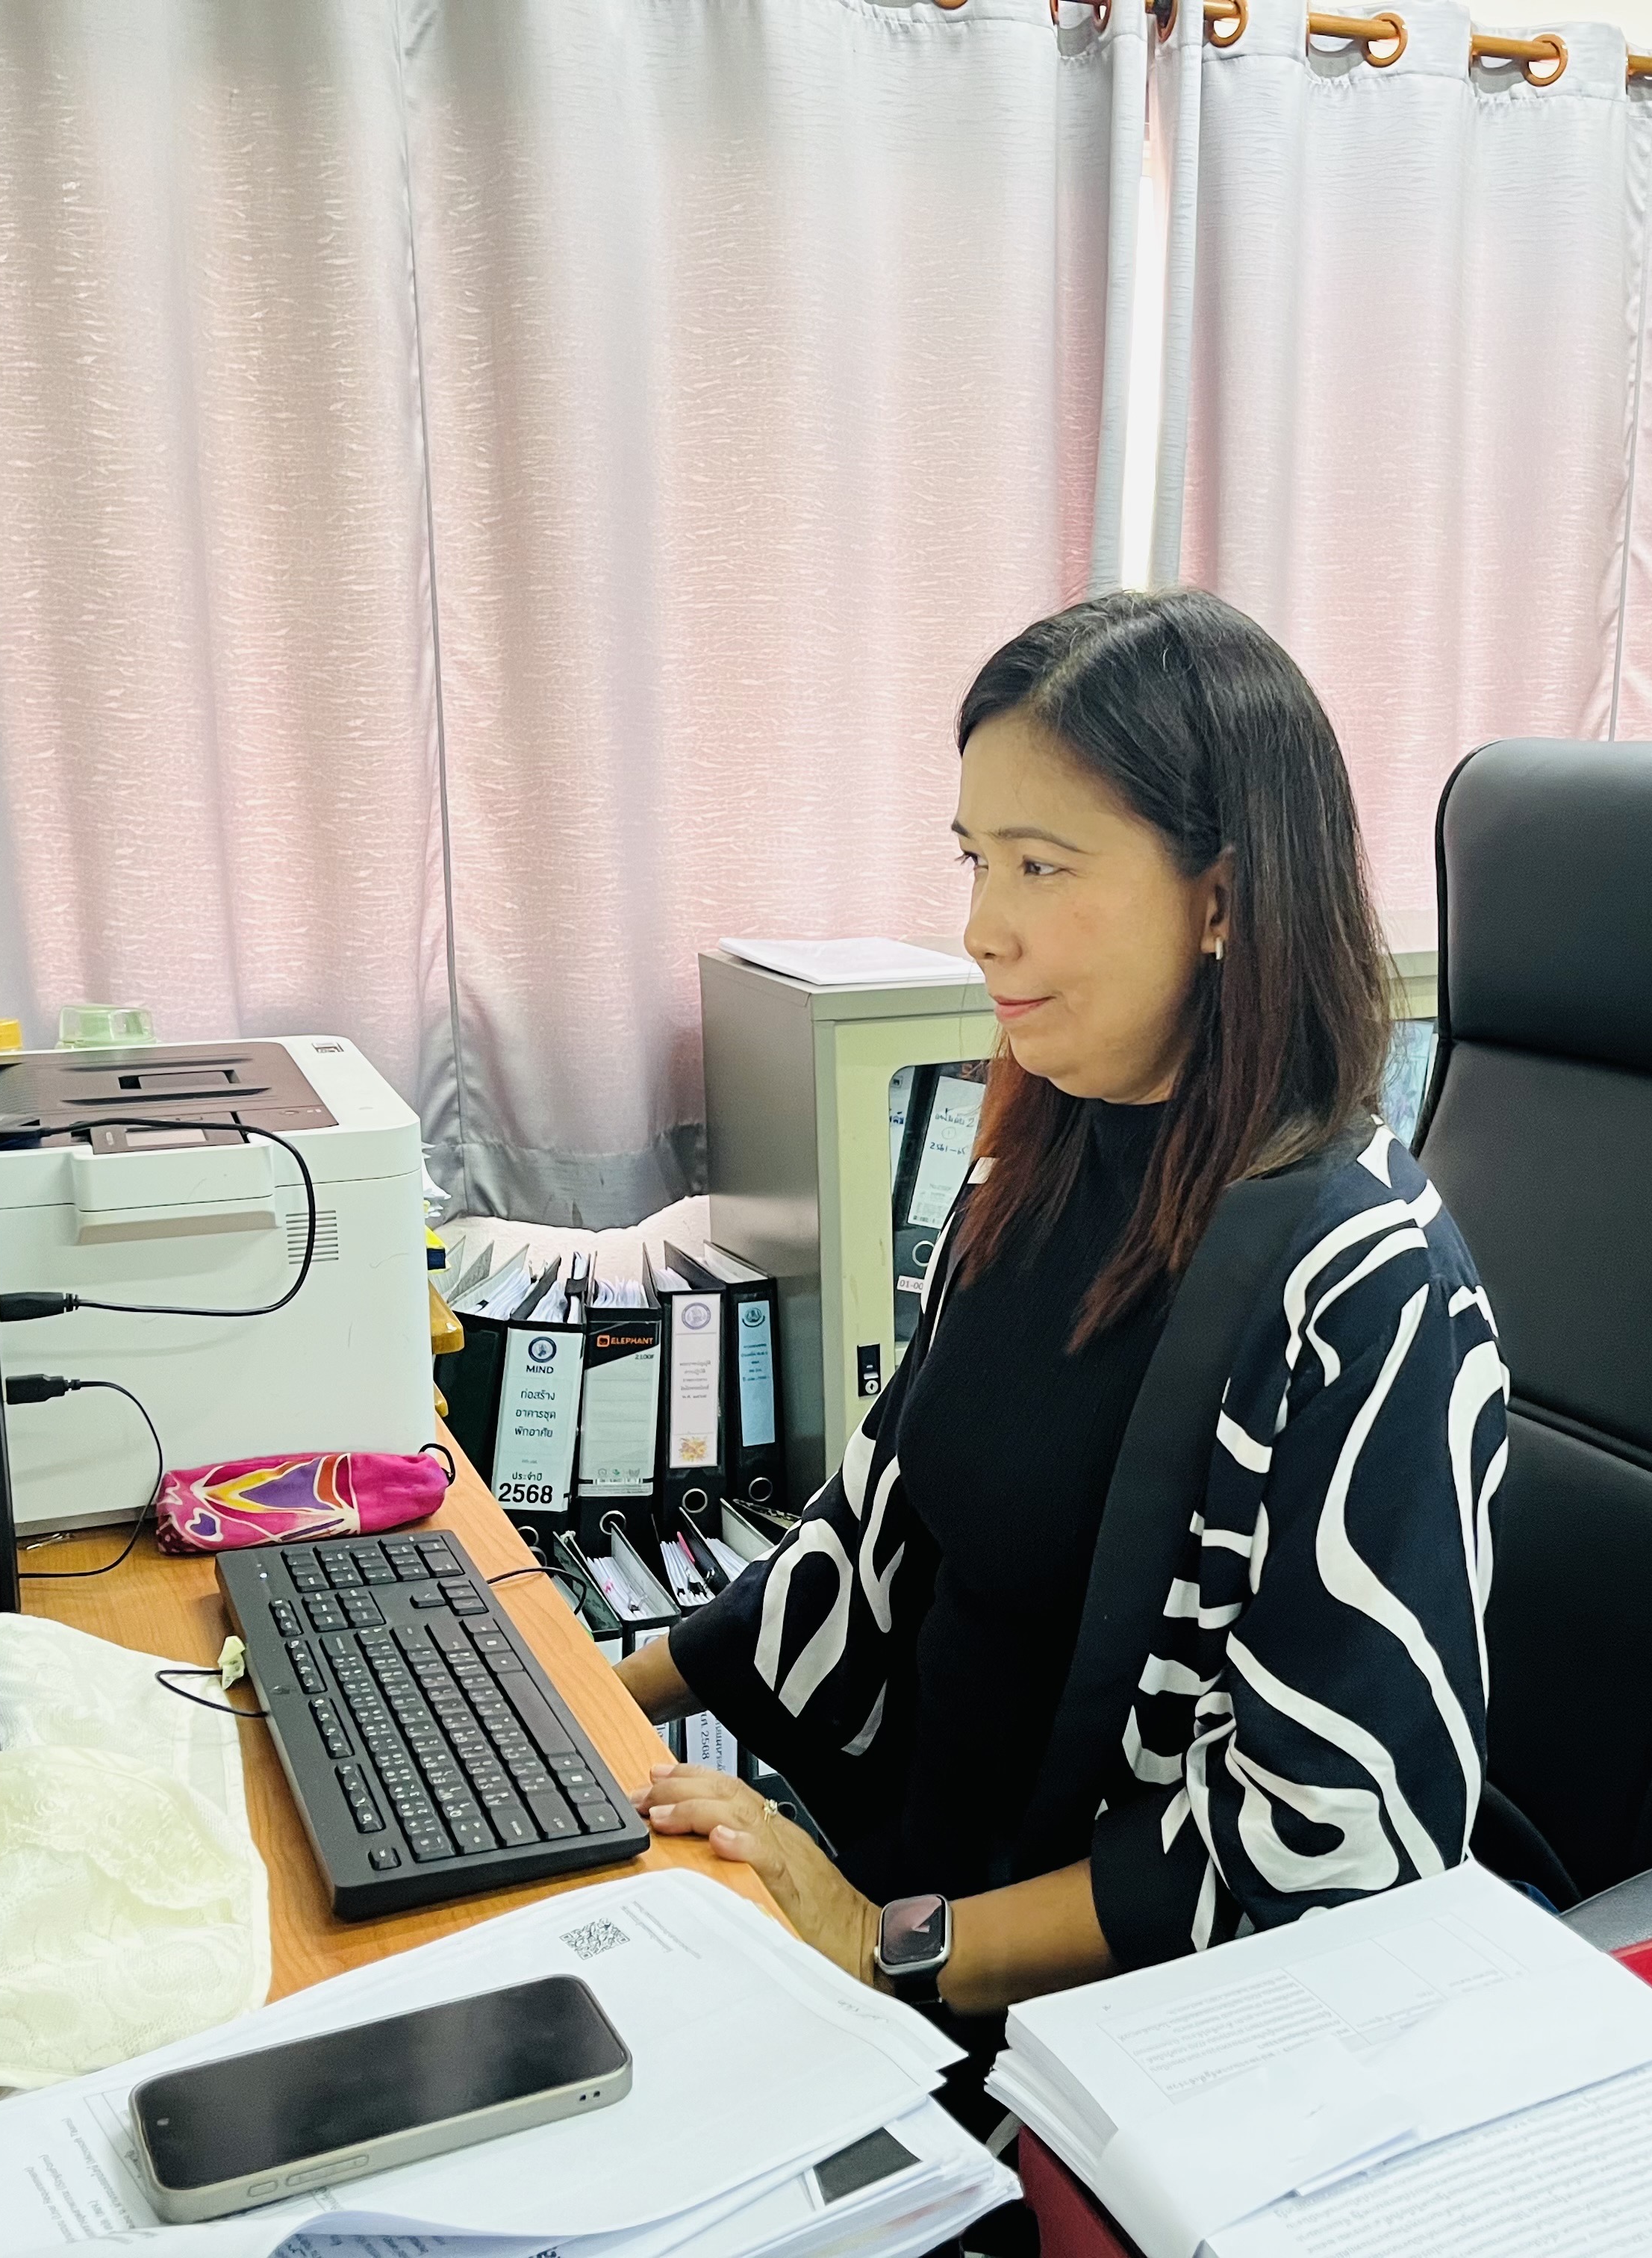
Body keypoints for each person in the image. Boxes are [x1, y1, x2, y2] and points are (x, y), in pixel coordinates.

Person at [621, 588, 1506, 2018]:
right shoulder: (1038, 1157)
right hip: (904, 1907)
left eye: (1040, 867)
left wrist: (887, 1945)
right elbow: (880, 1529)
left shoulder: (1366, 1285)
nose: (982, 929)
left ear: (1222, 898)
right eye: (976, 861)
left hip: (1088, 2019)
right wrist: (587, 1690)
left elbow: (1333, 1836)